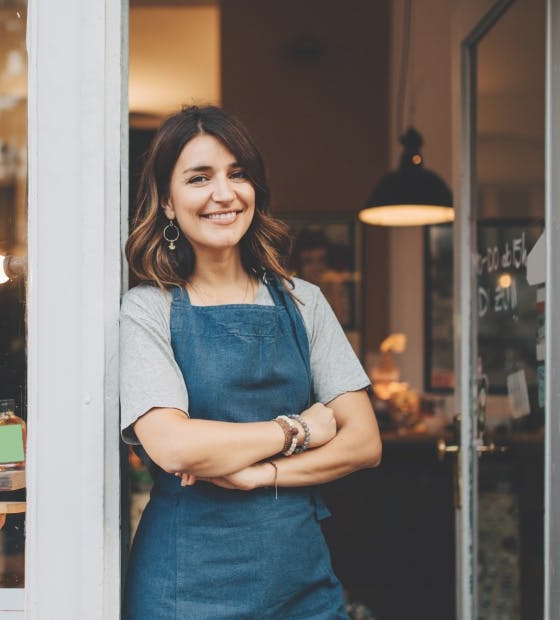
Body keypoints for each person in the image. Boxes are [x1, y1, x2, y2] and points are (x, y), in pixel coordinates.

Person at [120, 105, 383, 618]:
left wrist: (260, 475)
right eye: (199, 177)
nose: (224, 193)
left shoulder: (303, 300)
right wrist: (298, 429)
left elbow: (364, 442)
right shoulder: (148, 307)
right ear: (168, 204)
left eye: (237, 173)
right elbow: (174, 446)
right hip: (185, 588)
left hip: (301, 586)